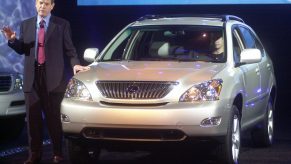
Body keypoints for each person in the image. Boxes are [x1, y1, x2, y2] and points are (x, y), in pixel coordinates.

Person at [1, 0, 90, 163]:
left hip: (54, 78)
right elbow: (23, 49)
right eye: (40, 3)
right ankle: (34, 154)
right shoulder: (26, 24)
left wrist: (75, 63)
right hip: (32, 78)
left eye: (46, 3)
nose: (43, 6)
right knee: (32, 120)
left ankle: (57, 153)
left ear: (52, 6)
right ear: (35, 4)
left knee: (53, 118)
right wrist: (13, 40)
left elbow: (69, 49)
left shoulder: (61, 24)